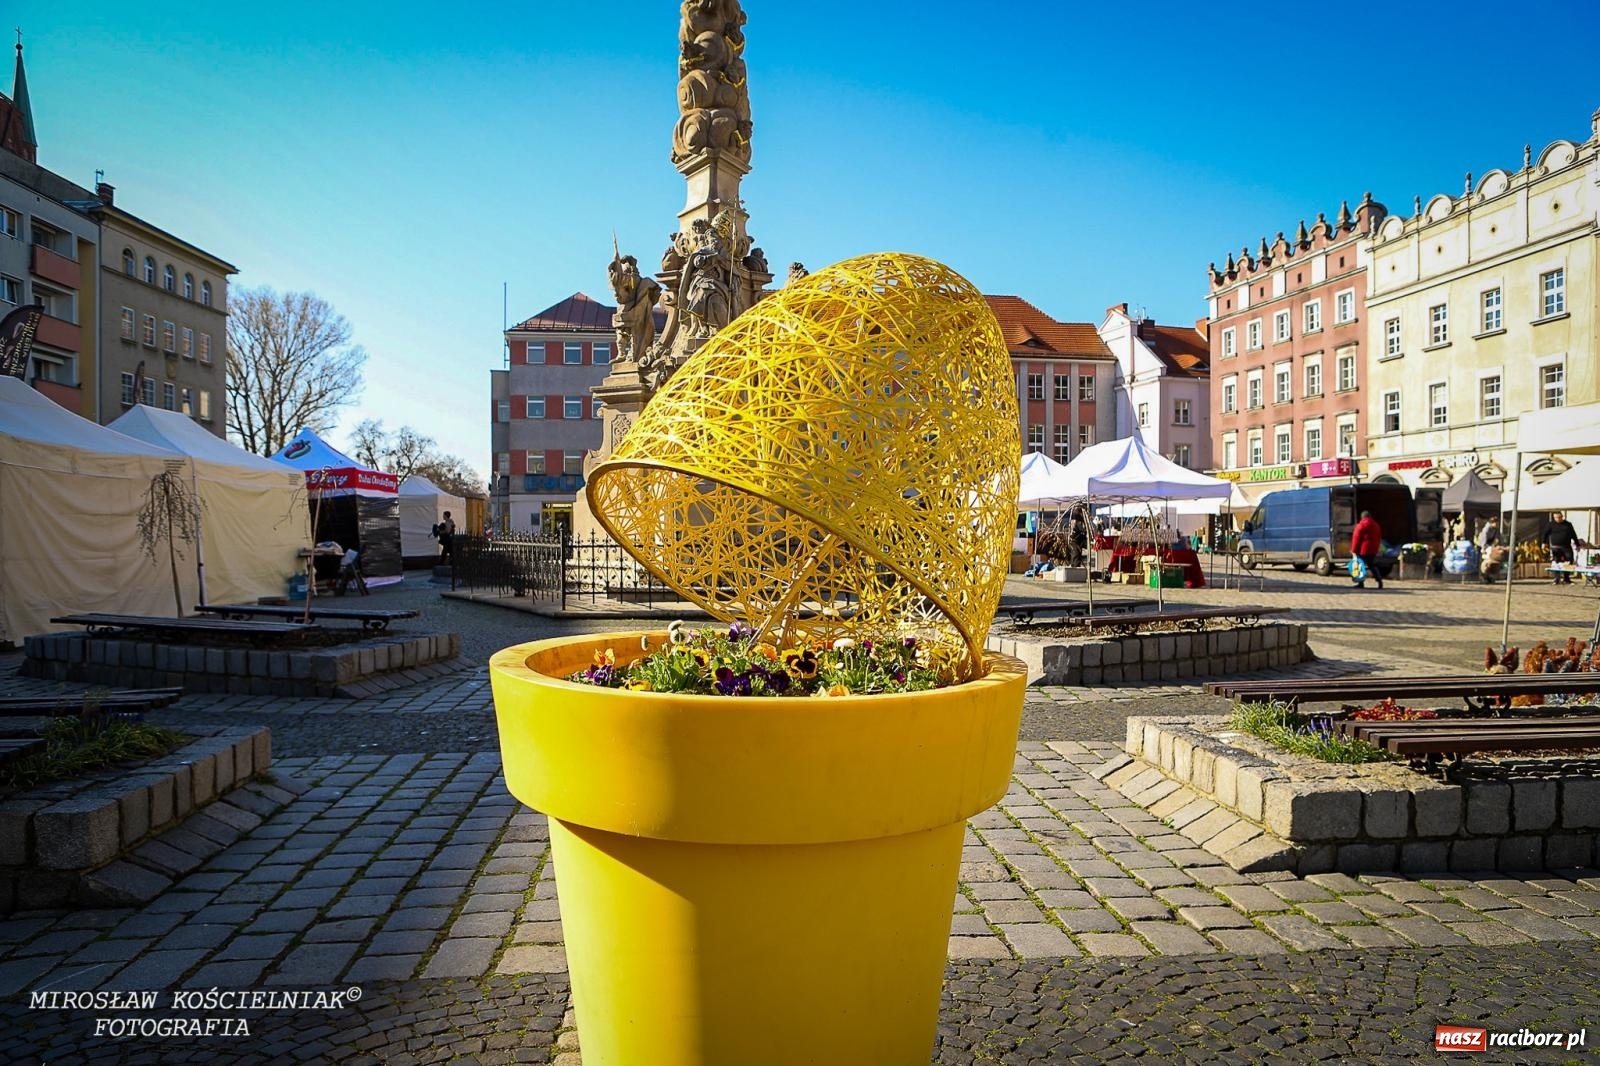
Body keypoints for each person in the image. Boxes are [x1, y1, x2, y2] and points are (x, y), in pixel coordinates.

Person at [1351, 509, 1384, 589]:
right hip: (1372, 550)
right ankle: (1379, 581)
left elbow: (1356, 539)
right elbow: (1379, 538)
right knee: (1372, 565)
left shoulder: (1361, 526)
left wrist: (1354, 550)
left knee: (1359, 566)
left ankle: (1360, 583)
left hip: (1363, 550)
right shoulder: (1376, 525)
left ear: (1362, 517)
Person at [1545, 511, 1581, 584]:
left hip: (1566, 546)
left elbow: (1573, 534)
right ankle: (1556, 578)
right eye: (1556, 517)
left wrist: (1577, 544)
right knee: (1556, 562)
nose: (1558, 519)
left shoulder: (1568, 524)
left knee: (1569, 561)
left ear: (1562, 517)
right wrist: (1543, 543)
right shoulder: (1550, 524)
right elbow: (1545, 534)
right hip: (1555, 547)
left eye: (1559, 517)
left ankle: (1566, 578)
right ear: (1554, 517)